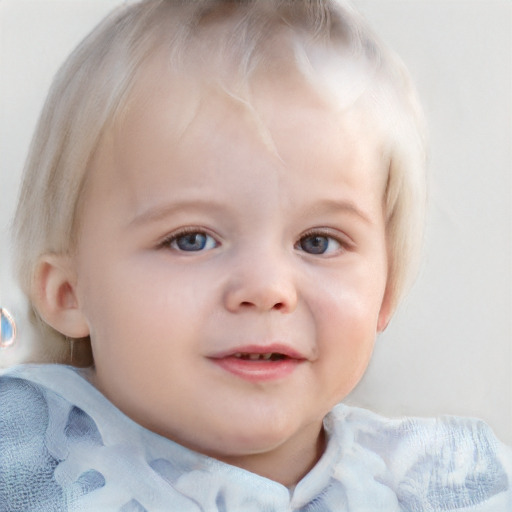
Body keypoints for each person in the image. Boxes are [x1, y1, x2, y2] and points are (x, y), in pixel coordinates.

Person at [1, 0, 511, 510]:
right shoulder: (28, 460)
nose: (267, 288)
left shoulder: (438, 486)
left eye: (318, 242)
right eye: (191, 240)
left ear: (386, 291)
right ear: (69, 292)